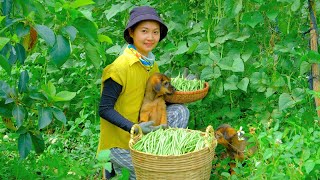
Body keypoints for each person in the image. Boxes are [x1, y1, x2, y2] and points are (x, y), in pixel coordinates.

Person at [97, 6, 190, 180]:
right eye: (144, 31)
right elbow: (104, 109)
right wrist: (135, 127)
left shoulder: (151, 64)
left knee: (180, 111)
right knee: (152, 171)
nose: (150, 37)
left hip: (146, 128)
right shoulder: (119, 68)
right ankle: (114, 165)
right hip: (122, 140)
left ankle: (159, 150)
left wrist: (183, 89)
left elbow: (154, 97)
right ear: (132, 32)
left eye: (155, 32)